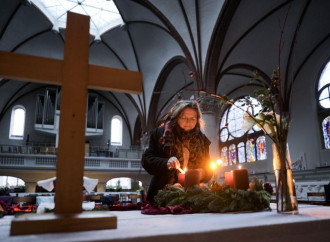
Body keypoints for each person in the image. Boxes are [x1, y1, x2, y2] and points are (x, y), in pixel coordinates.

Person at [142, 100, 212, 202]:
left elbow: (208, 169)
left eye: (193, 118)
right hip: (162, 194)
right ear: (176, 117)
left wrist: (202, 173)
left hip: (193, 197)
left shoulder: (202, 140)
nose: (188, 122)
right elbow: (146, 160)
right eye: (183, 118)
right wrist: (166, 163)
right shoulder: (160, 134)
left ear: (197, 120)